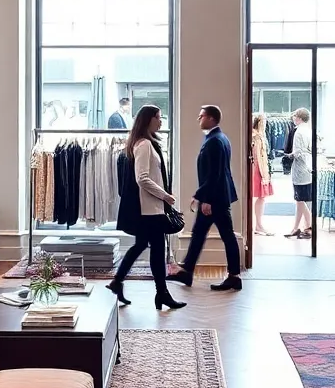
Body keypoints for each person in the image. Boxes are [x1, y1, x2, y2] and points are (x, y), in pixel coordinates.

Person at [107, 105, 186, 310]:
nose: (161, 121)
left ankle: (118, 282)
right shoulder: (144, 145)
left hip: (149, 208)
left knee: (142, 245)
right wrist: (165, 195)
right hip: (149, 209)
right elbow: (142, 178)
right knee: (157, 250)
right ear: (148, 120)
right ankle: (162, 294)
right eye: (158, 117)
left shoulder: (144, 143)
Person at [169, 104, 242, 292]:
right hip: (216, 195)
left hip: (215, 198)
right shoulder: (218, 138)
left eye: (201, 116)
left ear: (210, 118)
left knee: (226, 236)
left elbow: (215, 173)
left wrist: (205, 198)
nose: (198, 119)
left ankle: (233, 276)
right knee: (200, 233)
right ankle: (187, 271)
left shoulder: (215, 141)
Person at [286, 108, 314, 239]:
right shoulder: (309, 130)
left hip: (300, 170)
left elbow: (298, 152)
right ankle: (296, 227)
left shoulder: (298, 132)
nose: (293, 118)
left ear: (299, 118)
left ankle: (309, 225)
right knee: (300, 200)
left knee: (300, 199)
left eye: (295, 116)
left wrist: (289, 155)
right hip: (308, 168)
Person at [250, 112, 274, 236]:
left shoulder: (253, 135)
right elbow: (259, 156)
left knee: (257, 198)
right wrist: (265, 175)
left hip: (255, 168)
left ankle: (258, 225)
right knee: (260, 198)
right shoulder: (258, 136)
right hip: (258, 170)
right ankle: (259, 225)